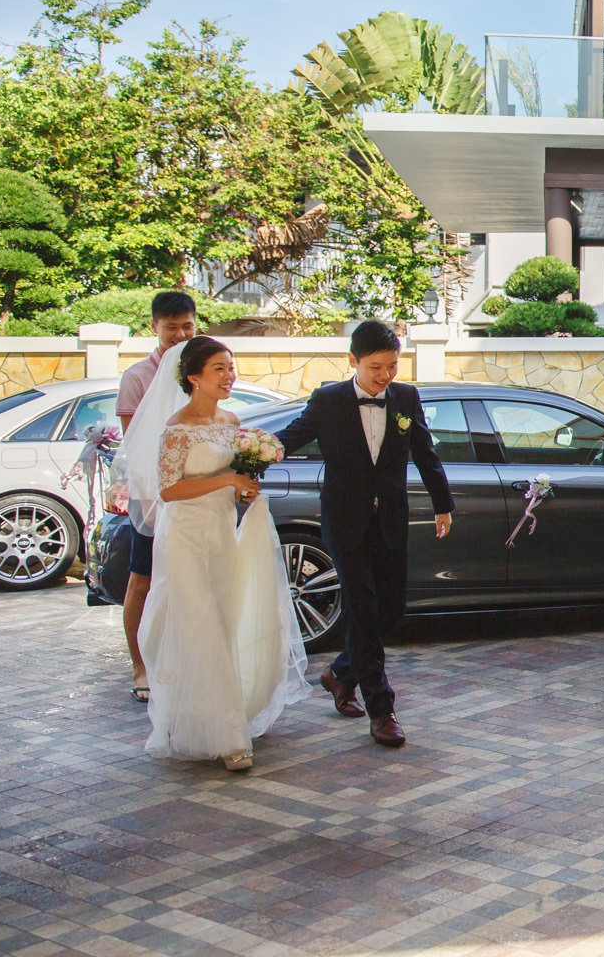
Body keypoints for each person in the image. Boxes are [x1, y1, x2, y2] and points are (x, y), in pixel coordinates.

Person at [117, 337, 311, 770]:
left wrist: (244, 488)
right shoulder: (177, 427)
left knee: (219, 622)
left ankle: (198, 715)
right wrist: (227, 480)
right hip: (184, 538)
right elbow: (169, 491)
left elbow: (233, 480)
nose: (229, 376)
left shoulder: (231, 421)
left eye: (231, 367)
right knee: (200, 620)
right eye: (219, 369)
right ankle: (229, 738)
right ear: (194, 377)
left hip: (222, 533)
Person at [273, 321, 453, 748]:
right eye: (376, 368)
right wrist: (248, 455)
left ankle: (339, 673)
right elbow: (289, 438)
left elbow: (425, 452)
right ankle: (381, 709)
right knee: (361, 610)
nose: (385, 376)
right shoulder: (328, 400)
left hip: (390, 518)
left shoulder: (406, 397)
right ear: (352, 361)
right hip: (344, 521)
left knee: (390, 610)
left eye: (392, 366)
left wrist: (442, 503)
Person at [116, 290, 198, 703]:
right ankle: (139, 665)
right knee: (143, 580)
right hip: (151, 497)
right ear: (154, 327)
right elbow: (135, 448)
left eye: (187, 326)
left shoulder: (202, 370)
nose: (180, 335)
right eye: (172, 328)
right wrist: (154, 499)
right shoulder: (136, 377)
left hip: (196, 497)